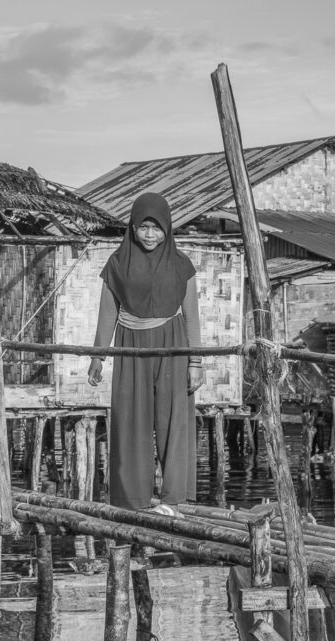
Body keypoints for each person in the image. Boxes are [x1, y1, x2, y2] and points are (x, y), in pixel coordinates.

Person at [87, 193, 204, 513]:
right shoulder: (117, 263)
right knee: (130, 421)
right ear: (133, 228)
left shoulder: (181, 265)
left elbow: (192, 316)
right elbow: (108, 313)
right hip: (130, 346)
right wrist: (98, 356)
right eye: (143, 227)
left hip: (173, 345)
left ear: (167, 228)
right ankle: (131, 501)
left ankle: (173, 499)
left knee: (174, 421)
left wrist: (195, 361)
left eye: (157, 228)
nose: (150, 234)